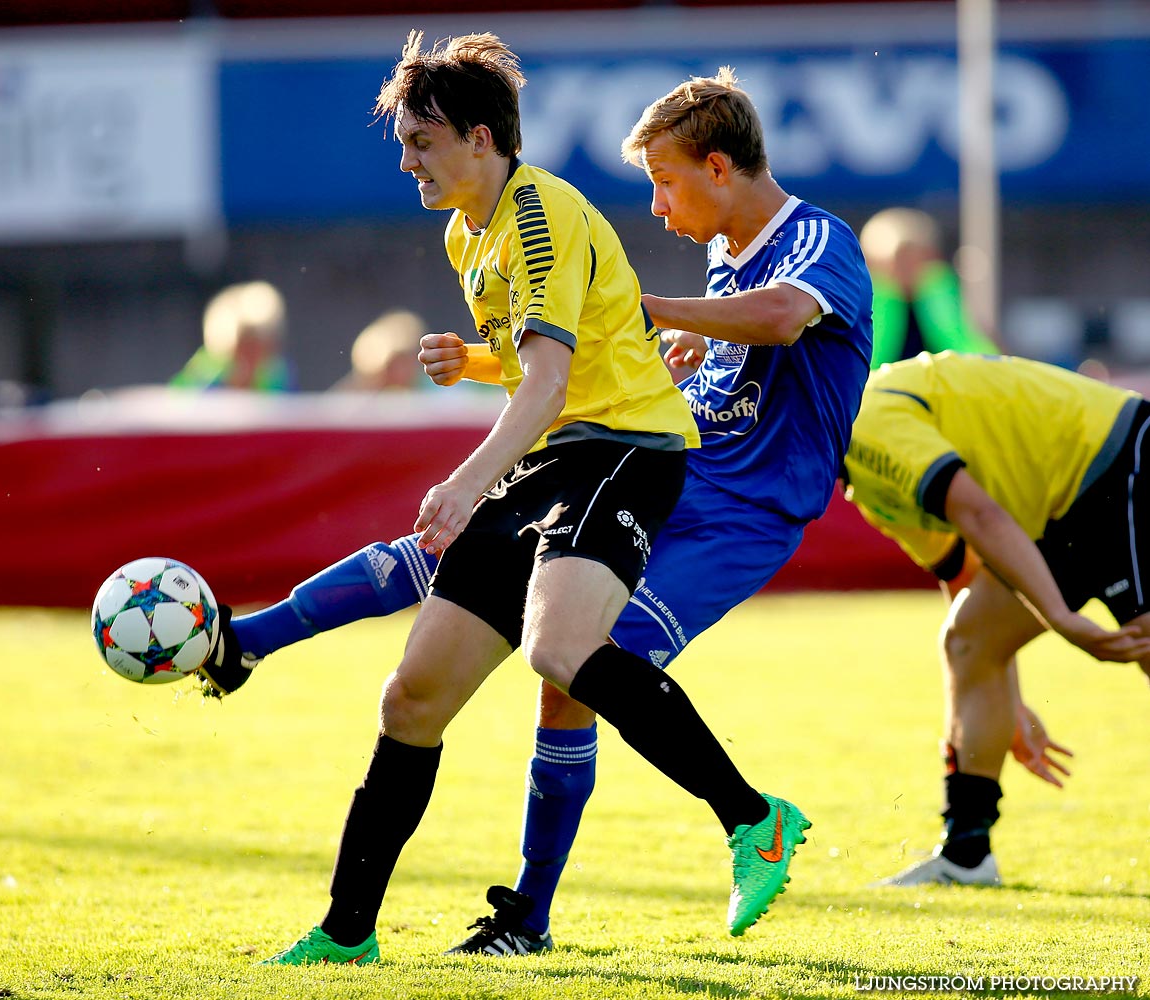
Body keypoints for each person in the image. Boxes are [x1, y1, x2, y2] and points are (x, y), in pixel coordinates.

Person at [200, 55, 875, 958]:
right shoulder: (685, 257)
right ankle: (417, 918)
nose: (658, 210)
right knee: (450, 661)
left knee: (579, 658)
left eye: (666, 184)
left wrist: (643, 313)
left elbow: (785, 319)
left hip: (737, 503)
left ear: (719, 168)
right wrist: (489, 361)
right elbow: (565, 358)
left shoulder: (810, 240)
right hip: (655, 459)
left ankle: (742, 825)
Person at [842, 350, 1150, 886]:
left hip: (1118, 458)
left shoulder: (862, 421)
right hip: (1062, 507)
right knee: (970, 641)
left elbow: (981, 514)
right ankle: (967, 855)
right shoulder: (863, 483)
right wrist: (1008, 706)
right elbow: (965, 577)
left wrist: (1059, 617)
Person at [859, 208, 997, 369]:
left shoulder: (943, 297)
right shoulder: (863, 303)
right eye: (898, 258)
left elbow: (982, 361)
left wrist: (936, 292)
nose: (905, 268)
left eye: (912, 256)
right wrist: (887, 298)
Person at [171, 280, 296, 391]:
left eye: (256, 347)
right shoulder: (203, 376)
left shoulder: (277, 378)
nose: (249, 356)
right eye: (244, 347)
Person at [330, 309, 429, 392]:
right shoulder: (349, 399)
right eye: (391, 366)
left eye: (404, 362)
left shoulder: (435, 395)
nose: (399, 372)